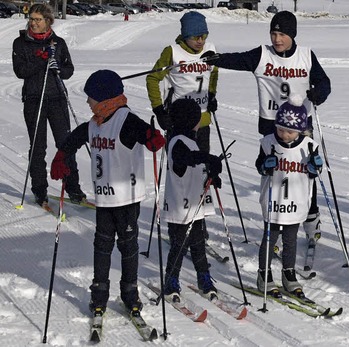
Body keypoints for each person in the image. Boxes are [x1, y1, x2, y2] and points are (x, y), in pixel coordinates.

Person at [201, 10, 331, 247]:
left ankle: (312, 223)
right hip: (272, 126)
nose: (277, 39)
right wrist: (215, 59)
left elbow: (324, 82)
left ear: (292, 34)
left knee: (305, 177)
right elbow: (238, 59)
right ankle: (277, 229)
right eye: (273, 33)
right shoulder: (263, 55)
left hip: (301, 128)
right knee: (276, 177)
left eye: (281, 34)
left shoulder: (306, 56)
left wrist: (318, 93)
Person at [50, 70, 166, 317]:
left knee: (128, 247)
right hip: (104, 200)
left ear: (103, 98)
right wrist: (61, 156)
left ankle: (130, 294)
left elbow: (146, 134)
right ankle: (99, 295)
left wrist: (152, 138)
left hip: (126, 199)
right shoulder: (95, 124)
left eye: (90, 97)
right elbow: (74, 138)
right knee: (101, 247)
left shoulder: (125, 119)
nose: (87, 102)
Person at [12, 3, 86, 208]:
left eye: (38, 19)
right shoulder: (20, 43)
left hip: (57, 99)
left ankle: (73, 189)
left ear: (48, 21)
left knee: (66, 144)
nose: (33, 23)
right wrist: (41, 61)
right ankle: (39, 191)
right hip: (34, 99)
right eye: (31, 19)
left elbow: (69, 69)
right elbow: (20, 71)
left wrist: (59, 69)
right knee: (38, 147)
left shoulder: (58, 43)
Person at [254, 96, 323, 298]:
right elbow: (259, 166)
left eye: (289, 131)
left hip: (295, 201)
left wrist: (314, 167)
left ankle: (288, 273)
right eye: (280, 129)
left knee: (291, 240)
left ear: (300, 130)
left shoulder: (309, 146)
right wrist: (265, 165)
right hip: (274, 201)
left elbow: (314, 172)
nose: (284, 134)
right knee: (270, 238)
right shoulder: (268, 142)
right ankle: (264, 274)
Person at [161, 98, 223, 302]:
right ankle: (171, 281)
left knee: (198, 245)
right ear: (192, 122)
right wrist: (207, 158)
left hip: (195, 206)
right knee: (179, 246)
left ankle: (204, 278)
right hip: (180, 207)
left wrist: (212, 176)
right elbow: (184, 159)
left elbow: (195, 168)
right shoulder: (178, 141)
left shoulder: (189, 140)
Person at [146, 11, 219, 152]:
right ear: (186, 36)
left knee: (202, 167)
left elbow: (214, 72)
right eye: (195, 37)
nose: (200, 41)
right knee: (180, 168)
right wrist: (159, 110)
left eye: (204, 36)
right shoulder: (172, 52)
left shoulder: (210, 49)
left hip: (203, 119)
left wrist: (211, 94)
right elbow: (152, 79)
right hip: (179, 120)